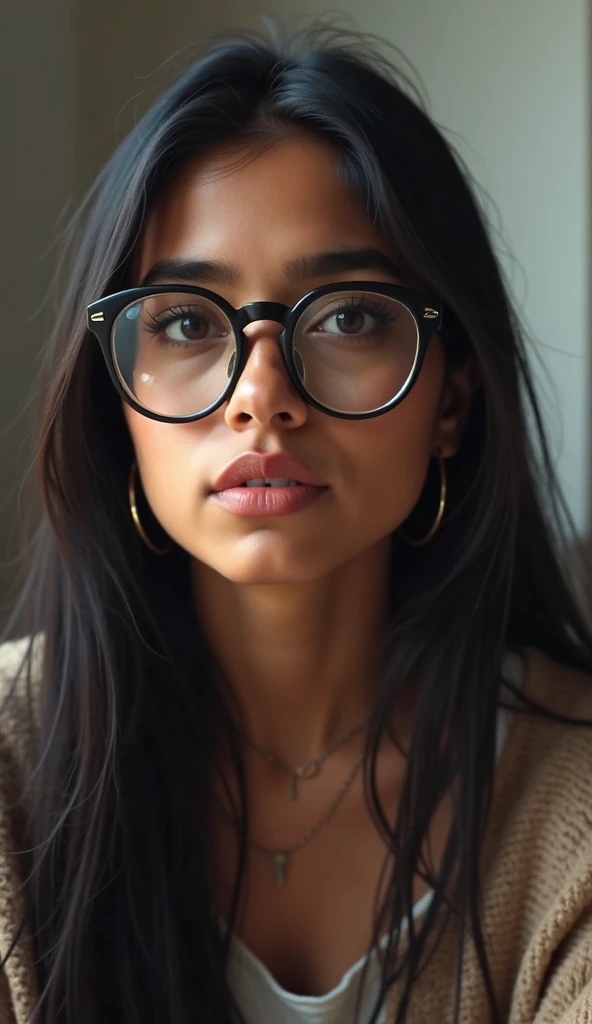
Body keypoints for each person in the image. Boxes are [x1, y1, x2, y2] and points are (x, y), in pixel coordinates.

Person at [0, 21, 591, 1024]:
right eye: (188, 320)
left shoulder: (571, 805)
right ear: (117, 402)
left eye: (348, 315)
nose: (261, 396)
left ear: (449, 401)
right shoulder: (13, 770)